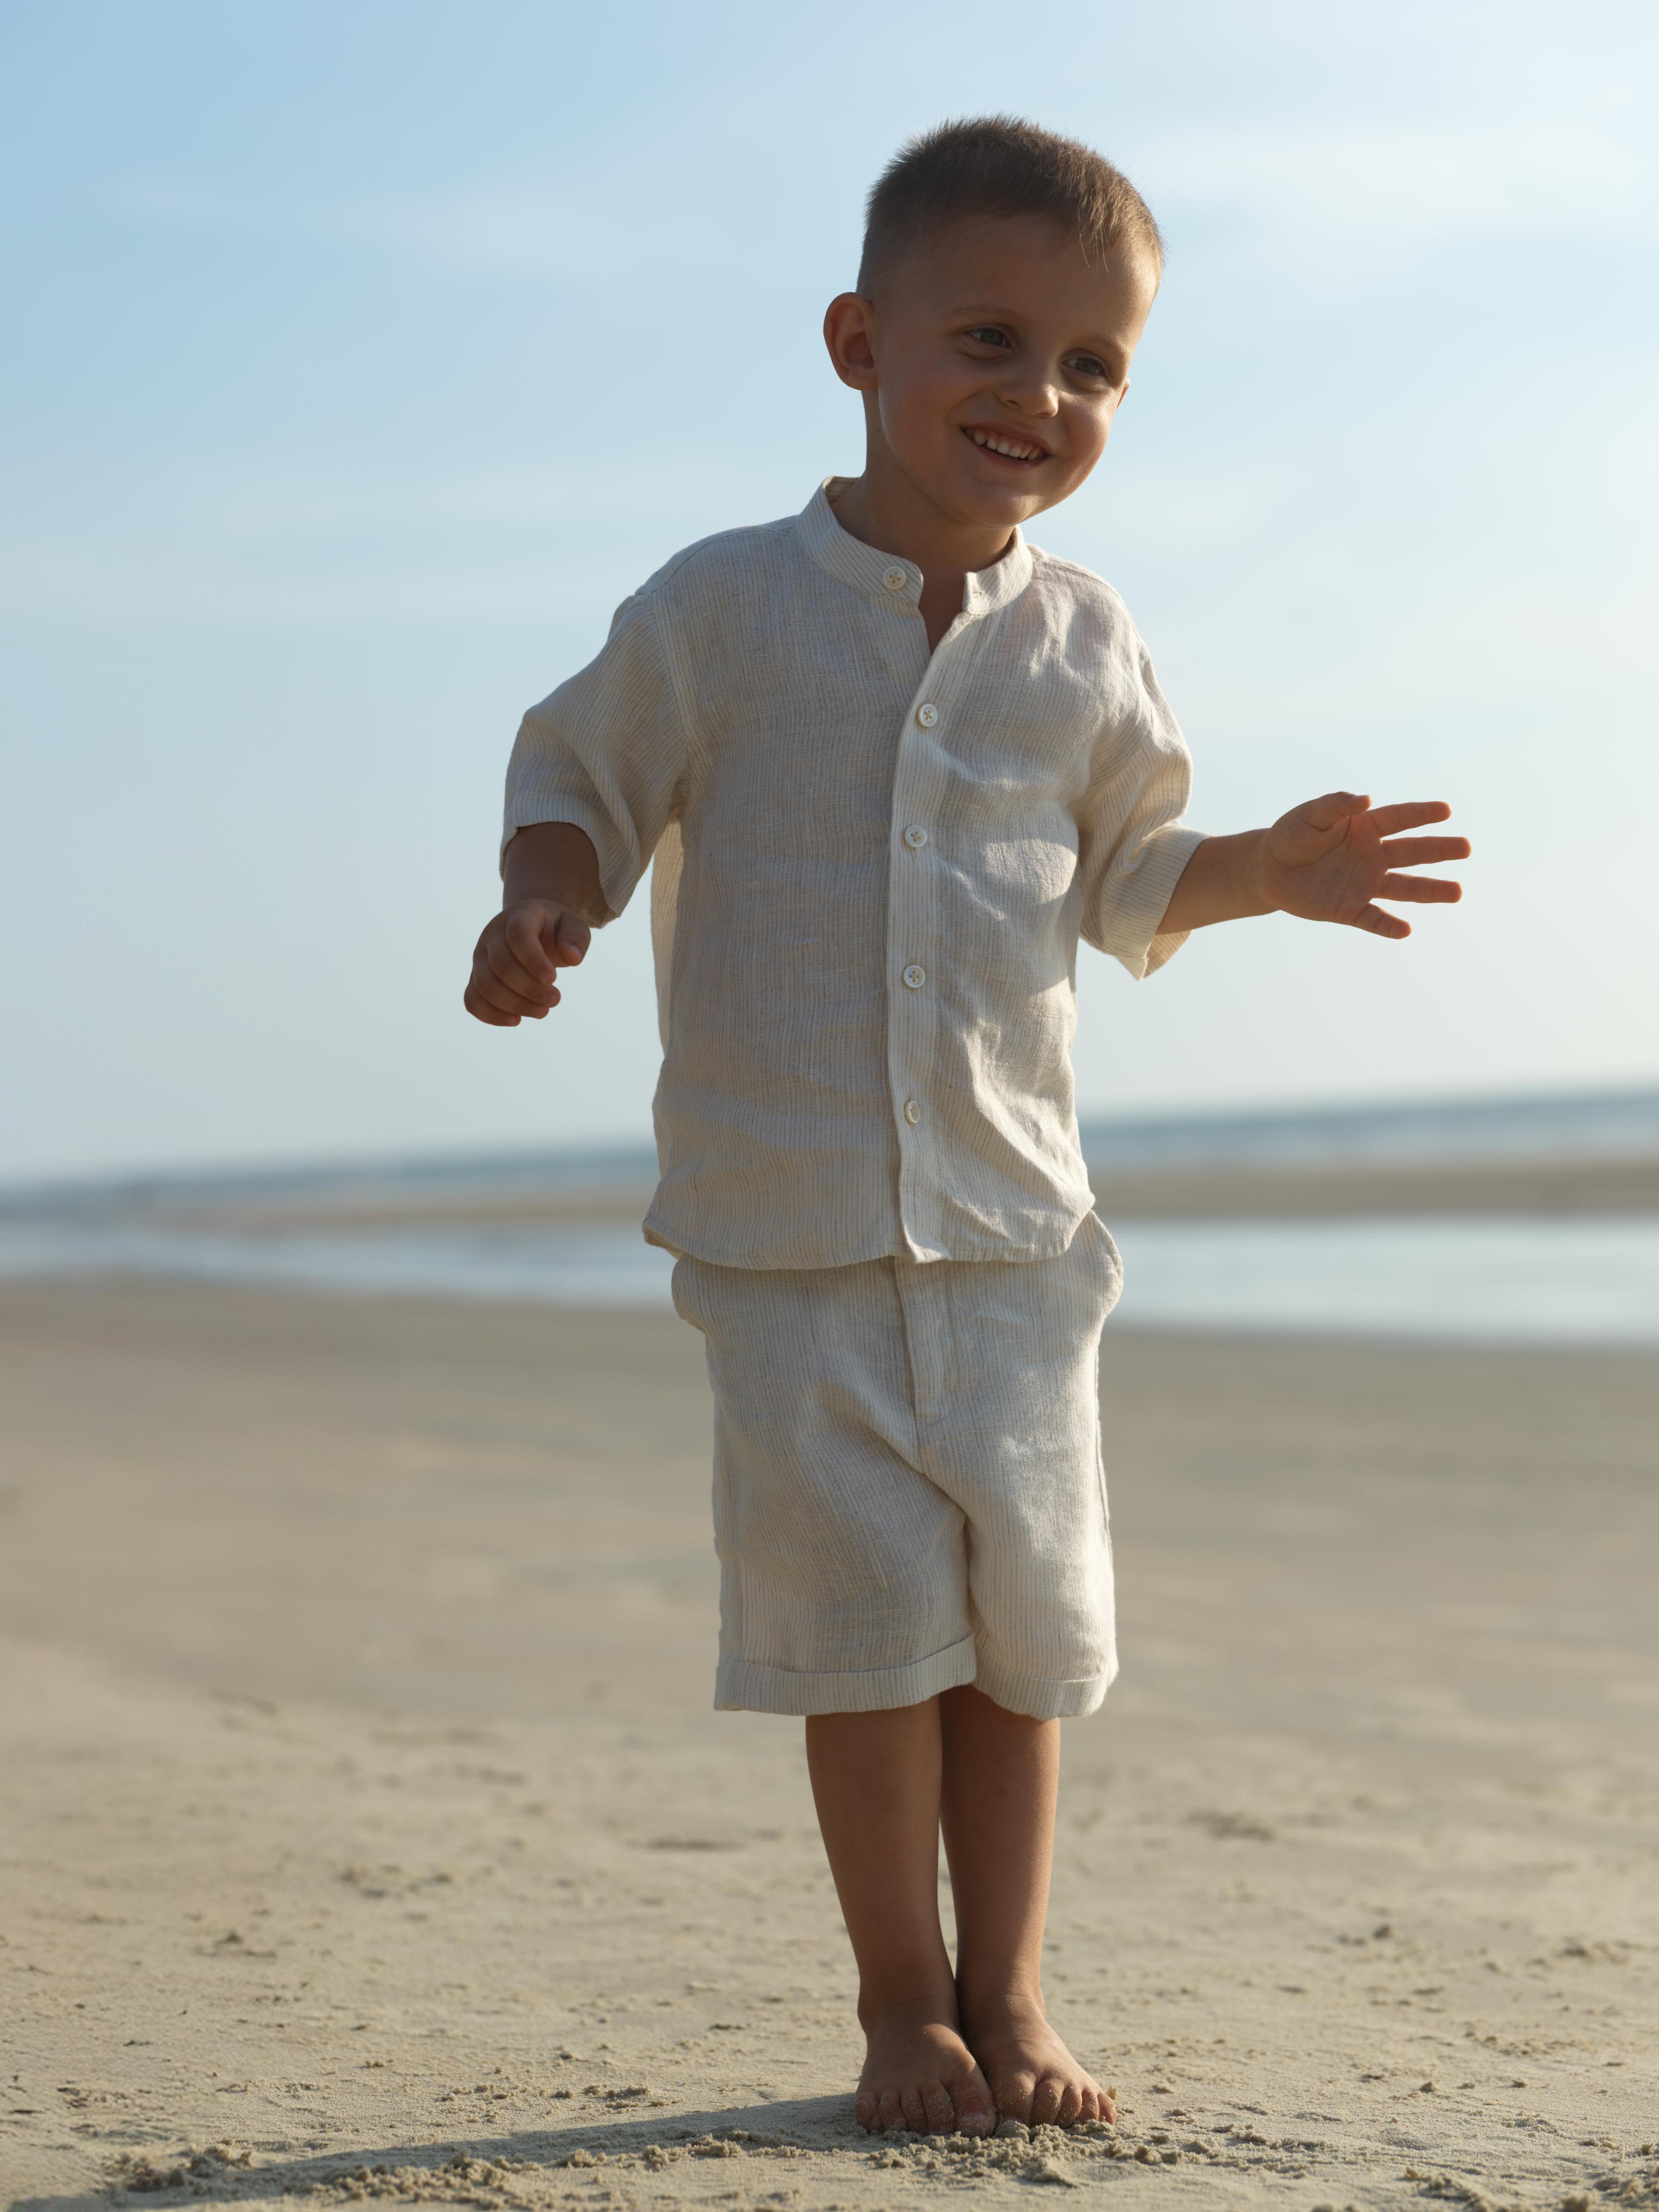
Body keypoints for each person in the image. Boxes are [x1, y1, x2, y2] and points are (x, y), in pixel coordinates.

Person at [462, 116, 1469, 2139]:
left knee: (1019, 1643)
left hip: (1016, 1240)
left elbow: (1125, 876)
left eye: (1093, 366)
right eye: (990, 341)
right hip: (788, 1230)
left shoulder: (1085, 639)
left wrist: (1256, 866)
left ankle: (1013, 1995)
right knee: (862, 1646)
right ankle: (896, 2006)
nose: (1040, 397)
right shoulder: (724, 608)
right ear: (858, 338)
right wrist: (546, 891)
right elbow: (576, 758)